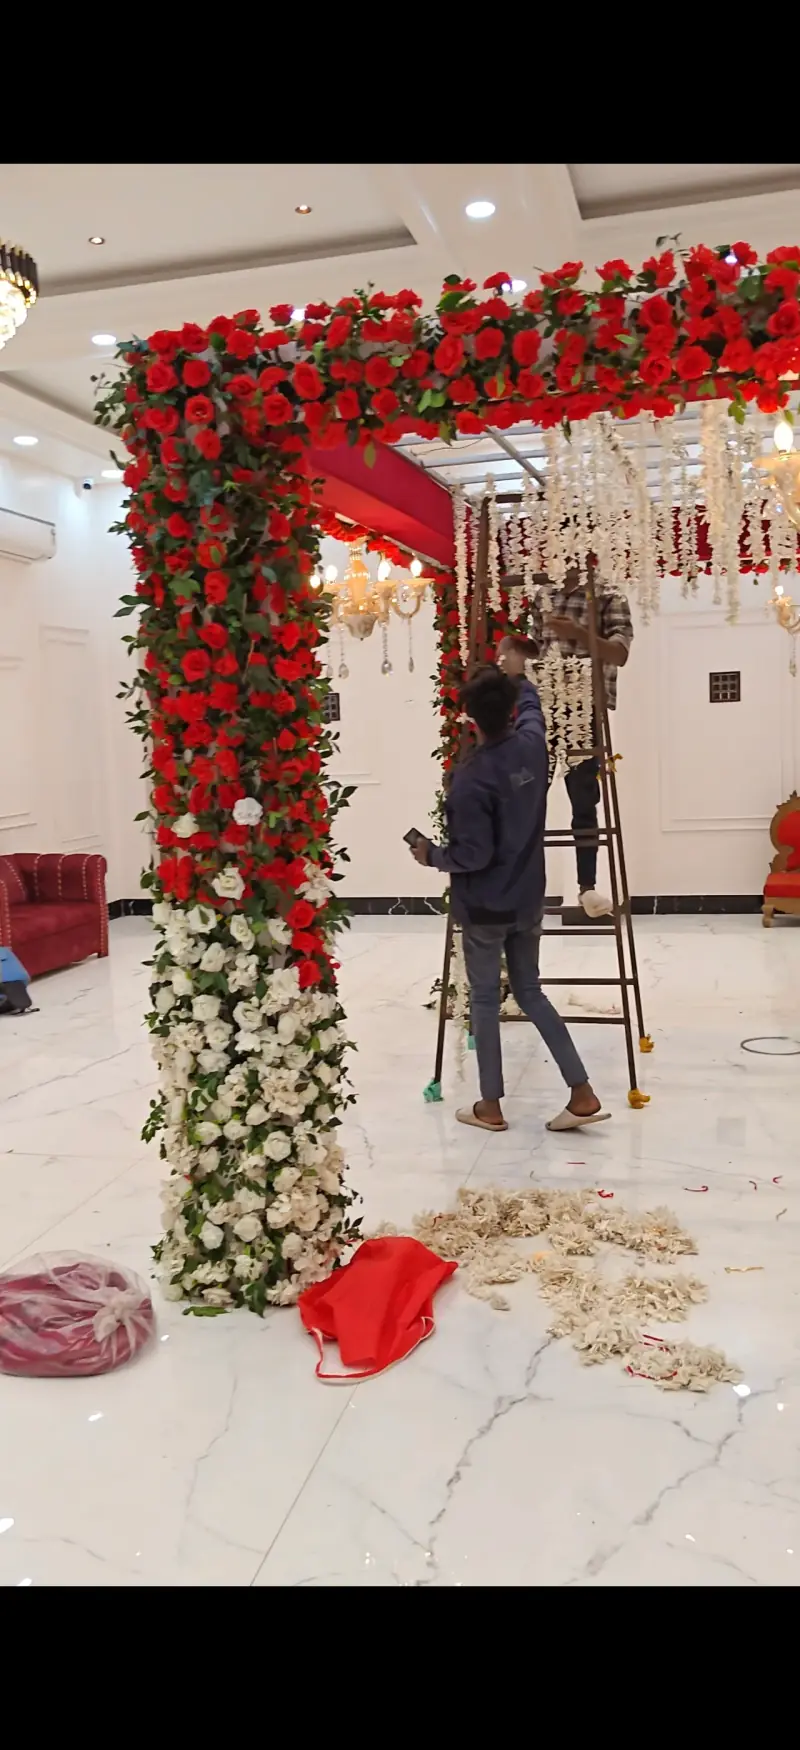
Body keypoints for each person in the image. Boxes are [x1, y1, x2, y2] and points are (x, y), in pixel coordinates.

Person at [409, 650, 609, 1135]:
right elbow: (535, 709)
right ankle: (581, 1092)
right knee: (531, 992)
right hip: (527, 897)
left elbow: (471, 855)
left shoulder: (471, 781)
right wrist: (521, 676)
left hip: (485, 906)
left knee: (483, 999)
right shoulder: (531, 747)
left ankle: (490, 1106)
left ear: (471, 719)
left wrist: (431, 855)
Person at [516, 556, 633, 919]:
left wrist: (580, 635)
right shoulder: (543, 594)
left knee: (584, 798)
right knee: (526, 791)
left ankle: (587, 887)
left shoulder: (608, 593)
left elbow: (620, 653)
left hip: (584, 706)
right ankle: (521, 881)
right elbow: (537, 648)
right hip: (542, 704)